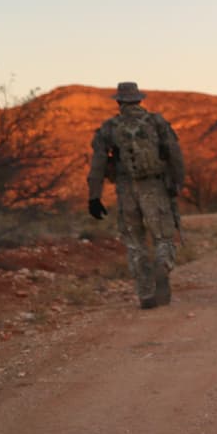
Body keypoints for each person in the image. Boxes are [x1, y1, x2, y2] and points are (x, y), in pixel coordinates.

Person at [86, 81, 186, 310]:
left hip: (126, 191)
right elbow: (174, 153)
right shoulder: (156, 122)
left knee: (134, 243)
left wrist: (94, 197)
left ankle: (146, 293)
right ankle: (162, 265)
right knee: (163, 237)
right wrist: (178, 182)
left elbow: (98, 163)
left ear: (119, 101)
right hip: (155, 188)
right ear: (139, 99)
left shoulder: (109, 127)